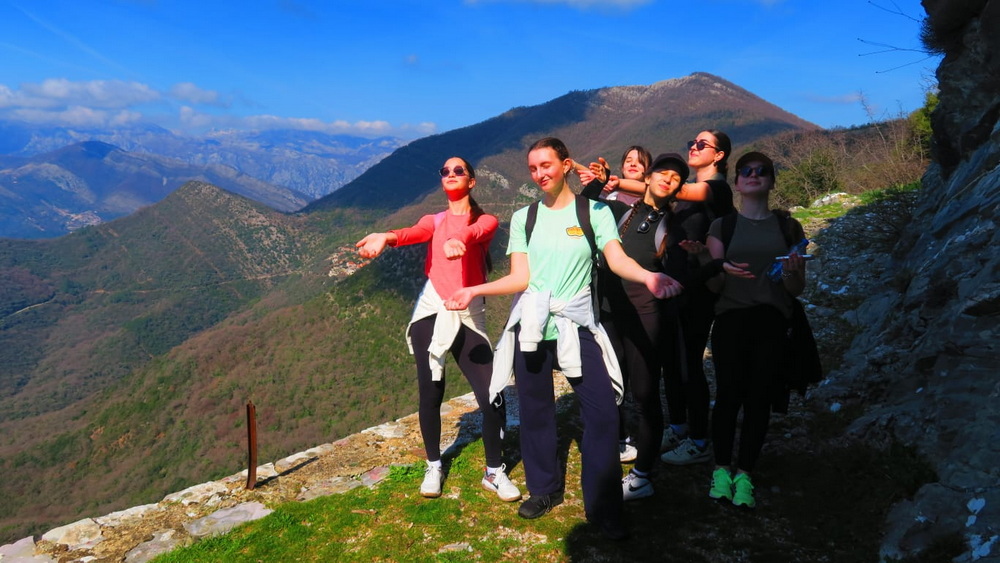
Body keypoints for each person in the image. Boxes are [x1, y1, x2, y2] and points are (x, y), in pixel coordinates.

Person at [445, 138, 682, 539]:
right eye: (533, 168)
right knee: (536, 411)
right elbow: (521, 278)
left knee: (603, 414)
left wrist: (649, 277)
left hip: (576, 324)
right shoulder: (525, 218)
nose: (539, 174)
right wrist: (474, 290)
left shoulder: (594, 212)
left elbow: (617, 259)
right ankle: (543, 490)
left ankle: (604, 506)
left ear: (566, 165)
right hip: (532, 327)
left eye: (547, 165)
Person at [355, 156, 521, 503]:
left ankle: (494, 471)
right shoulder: (434, 220)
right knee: (430, 392)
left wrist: (459, 237)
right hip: (431, 309)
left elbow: (476, 231)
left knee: (491, 393)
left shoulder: (486, 220)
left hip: (469, 310)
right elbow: (414, 233)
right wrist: (386, 236)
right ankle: (434, 465)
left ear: (472, 181)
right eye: (445, 171)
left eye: (459, 170)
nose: (451, 174)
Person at [581, 152, 690, 500]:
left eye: (675, 177)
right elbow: (584, 206)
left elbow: (679, 275)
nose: (667, 178)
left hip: (646, 317)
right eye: (663, 172)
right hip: (609, 312)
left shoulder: (674, 227)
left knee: (644, 394)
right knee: (611, 387)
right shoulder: (618, 211)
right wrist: (600, 181)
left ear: (678, 189)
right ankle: (617, 445)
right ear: (648, 177)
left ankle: (642, 476)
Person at [703, 151, 807, 509]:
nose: (753, 174)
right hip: (730, 320)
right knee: (728, 395)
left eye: (762, 171)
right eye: (746, 170)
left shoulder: (789, 228)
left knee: (760, 397)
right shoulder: (722, 227)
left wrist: (792, 272)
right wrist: (712, 265)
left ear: (772, 181)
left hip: (772, 320)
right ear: (736, 183)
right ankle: (721, 470)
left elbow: (796, 290)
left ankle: (745, 473)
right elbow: (714, 286)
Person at [661, 130, 736, 465]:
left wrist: (621, 181)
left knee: (690, 362)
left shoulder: (716, 189)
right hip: (675, 285)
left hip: (700, 286)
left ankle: (699, 440)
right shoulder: (689, 193)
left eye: (702, 144)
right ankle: (678, 426)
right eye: (692, 142)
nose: (693, 146)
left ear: (719, 155)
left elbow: (673, 189)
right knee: (672, 361)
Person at [576, 145, 651, 206]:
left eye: (640, 162)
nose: (633, 164)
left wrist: (614, 183)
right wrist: (572, 165)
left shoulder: (651, 197)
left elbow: (647, 188)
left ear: (649, 170)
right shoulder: (610, 196)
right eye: (628, 161)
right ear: (622, 168)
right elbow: (590, 174)